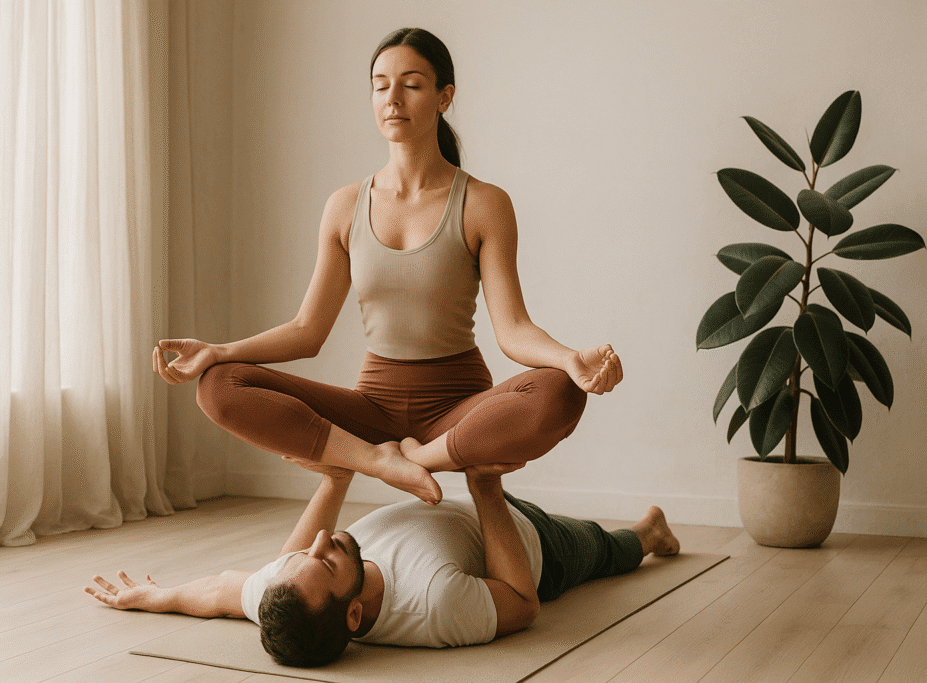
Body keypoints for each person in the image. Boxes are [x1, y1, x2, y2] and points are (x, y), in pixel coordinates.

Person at [151, 27, 623, 505]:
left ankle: (418, 461)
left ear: (445, 97)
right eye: (380, 85)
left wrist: (568, 359)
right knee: (218, 386)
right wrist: (219, 351)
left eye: (411, 85)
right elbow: (306, 330)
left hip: (459, 410)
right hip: (372, 410)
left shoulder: (483, 203)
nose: (392, 98)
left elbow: (514, 328)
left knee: (560, 392)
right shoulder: (344, 206)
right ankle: (377, 460)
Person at [85, 458, 680, 668]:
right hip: (525, 538)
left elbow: (217, 592)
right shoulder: (434, 605)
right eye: (323, 563)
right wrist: (488, 490)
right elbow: (523, 606)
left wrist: (151, 597)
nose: (319, 544)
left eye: (300, 556)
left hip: (461, 506)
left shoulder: (286, 587)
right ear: (352, 618)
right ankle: (649, 533)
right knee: (601, 549)